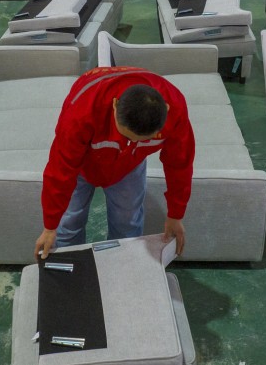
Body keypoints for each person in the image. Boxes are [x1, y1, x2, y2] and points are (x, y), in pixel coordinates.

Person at [34, 65, 195, 261]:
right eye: (126, 136)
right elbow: (60, 169)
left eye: (141, 140)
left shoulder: (176, 110)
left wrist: (175, 215)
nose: (133, 143)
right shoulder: (81, 112)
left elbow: (180, 164)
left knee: (127, 224)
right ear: (115, 105)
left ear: (166, 111)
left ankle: (121, 270)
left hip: (129, 165)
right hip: (82, 164)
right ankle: (71, 270)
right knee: (68, 223)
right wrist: (50, 227)